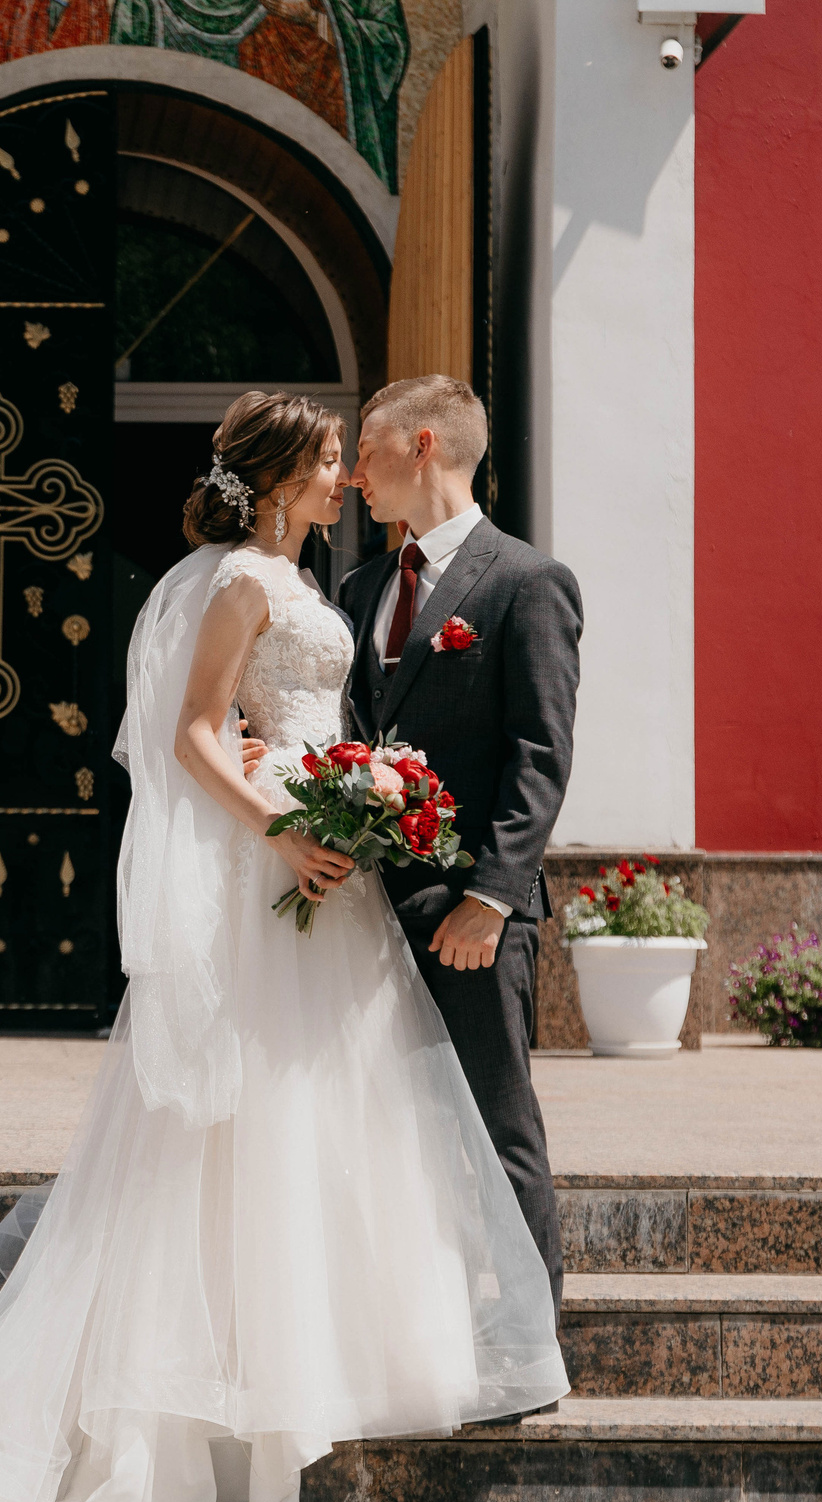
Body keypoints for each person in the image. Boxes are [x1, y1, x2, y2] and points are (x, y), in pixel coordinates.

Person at [0, 390, 570, 1502]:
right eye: (328, 463)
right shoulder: (242, 579)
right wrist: (281, 820)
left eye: (351, 459)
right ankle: (238, 1379)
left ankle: (395, 1349)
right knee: (258, 1121)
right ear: (277, 481)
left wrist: (344, 796)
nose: (345, 481)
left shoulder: (333, 583)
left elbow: (356, 721)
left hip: (350, 879)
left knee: (350, 1113)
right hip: (286, 869)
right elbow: (190, 731)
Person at [333, 375, 582, 1349]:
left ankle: (526, 1343)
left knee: (493, 1126)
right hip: (362, 915)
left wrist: (490, 896)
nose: (354, 473)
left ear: (424, 444)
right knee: (387, 1126)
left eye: (367, 448)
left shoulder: (526, 582)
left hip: (471, 919)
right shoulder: (359, 590)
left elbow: (540, 752)